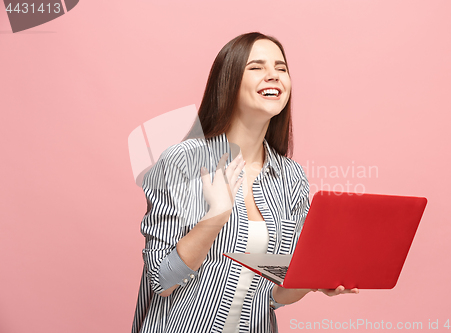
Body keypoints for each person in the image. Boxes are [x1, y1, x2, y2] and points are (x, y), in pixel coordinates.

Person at [131, 32, 359, 333]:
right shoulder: (182, 161)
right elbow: (160, 280)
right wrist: (214, 218)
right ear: (229, 81)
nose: (273, 76)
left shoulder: (291, 177)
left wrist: (313, 281)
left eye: (281, 68)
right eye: (257, 67)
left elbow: (272, 296)